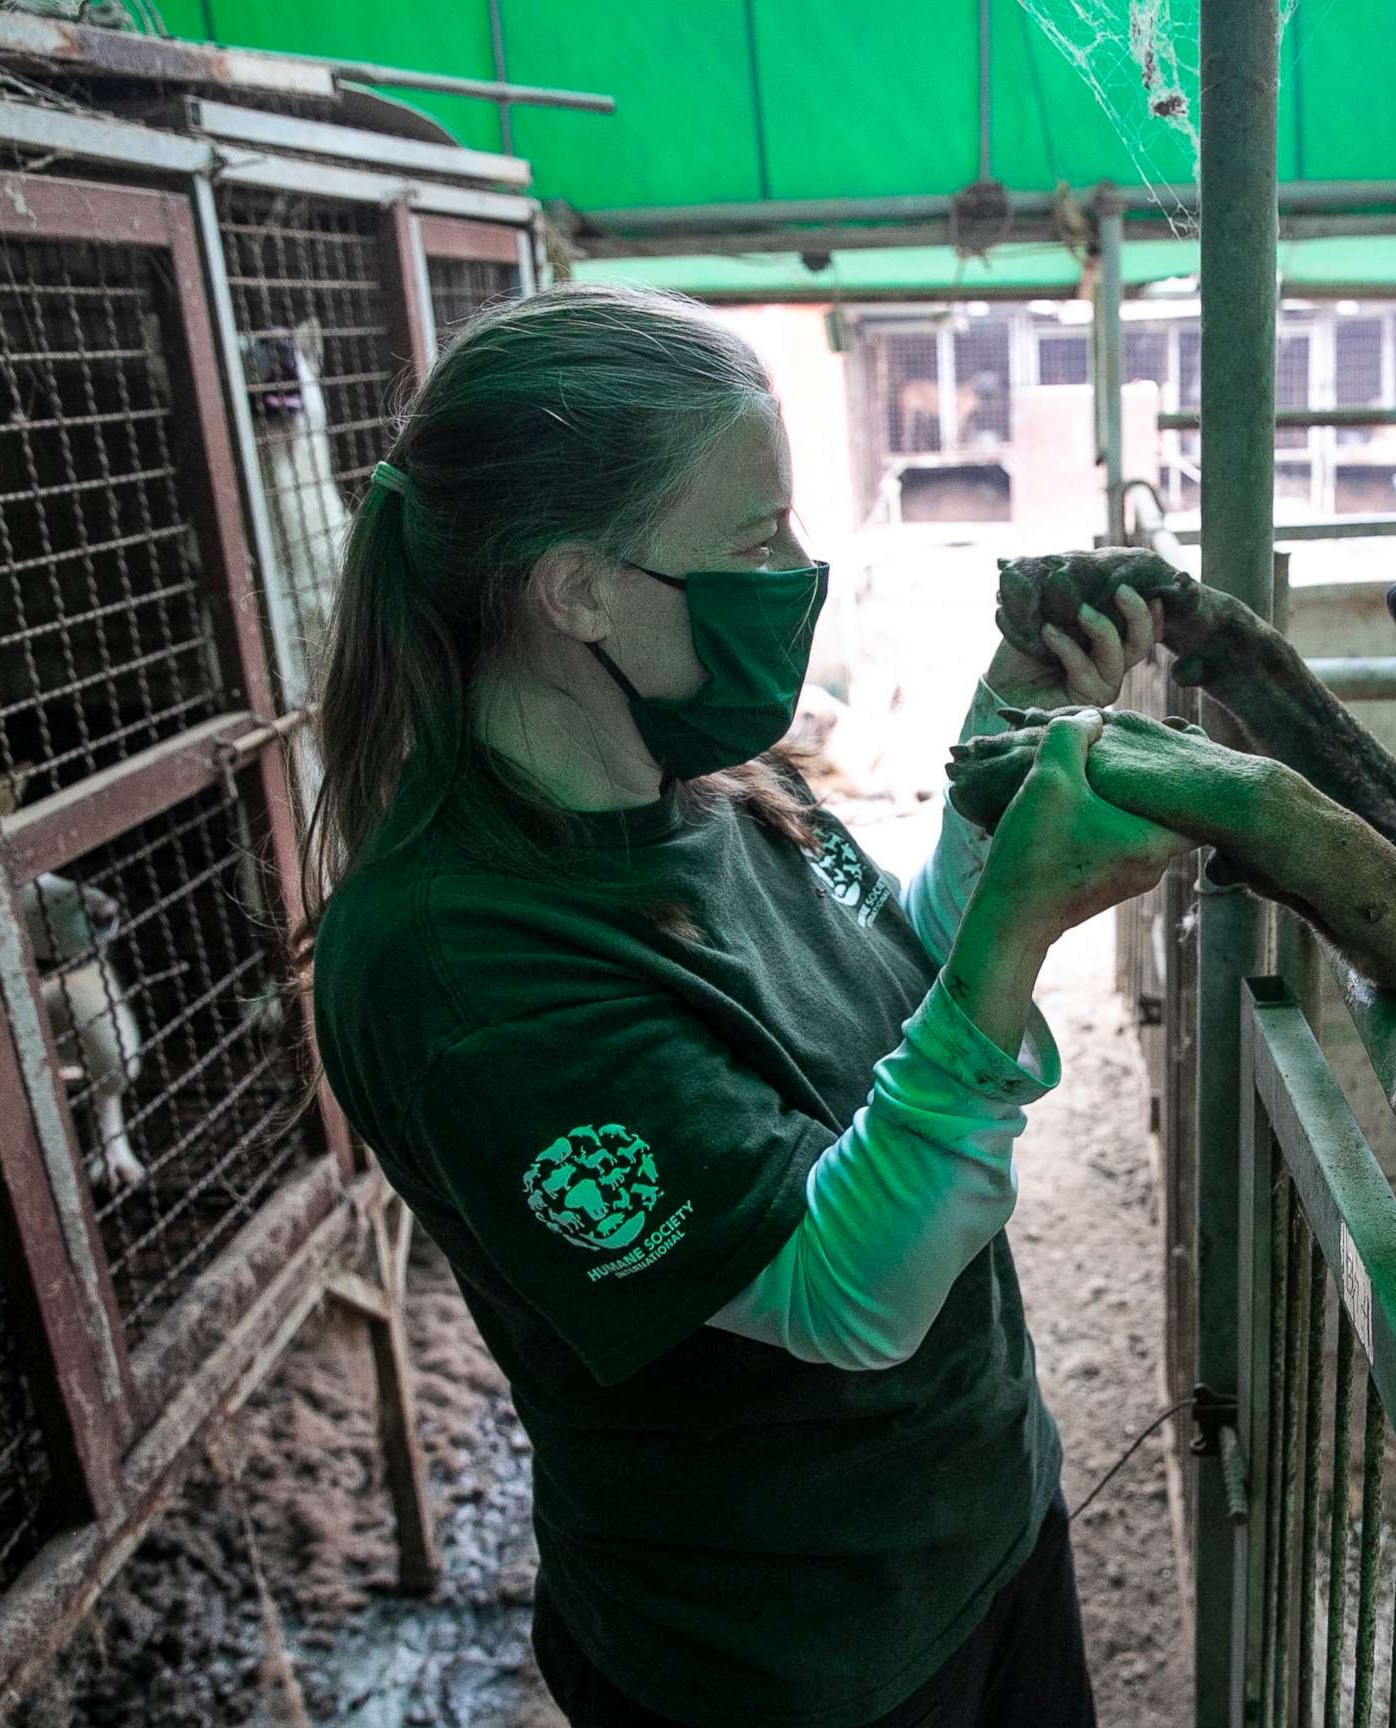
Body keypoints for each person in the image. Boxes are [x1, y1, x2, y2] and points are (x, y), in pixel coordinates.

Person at [304, 284, 1181, 1728]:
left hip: (971, 1528)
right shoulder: (459, 969)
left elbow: (905, 983)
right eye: (753, 540)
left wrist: (997, 747)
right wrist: (1027, 913)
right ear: (576, 587)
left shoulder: (705, 779)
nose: (796, 573)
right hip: (788, 1654)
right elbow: (848, 1292)